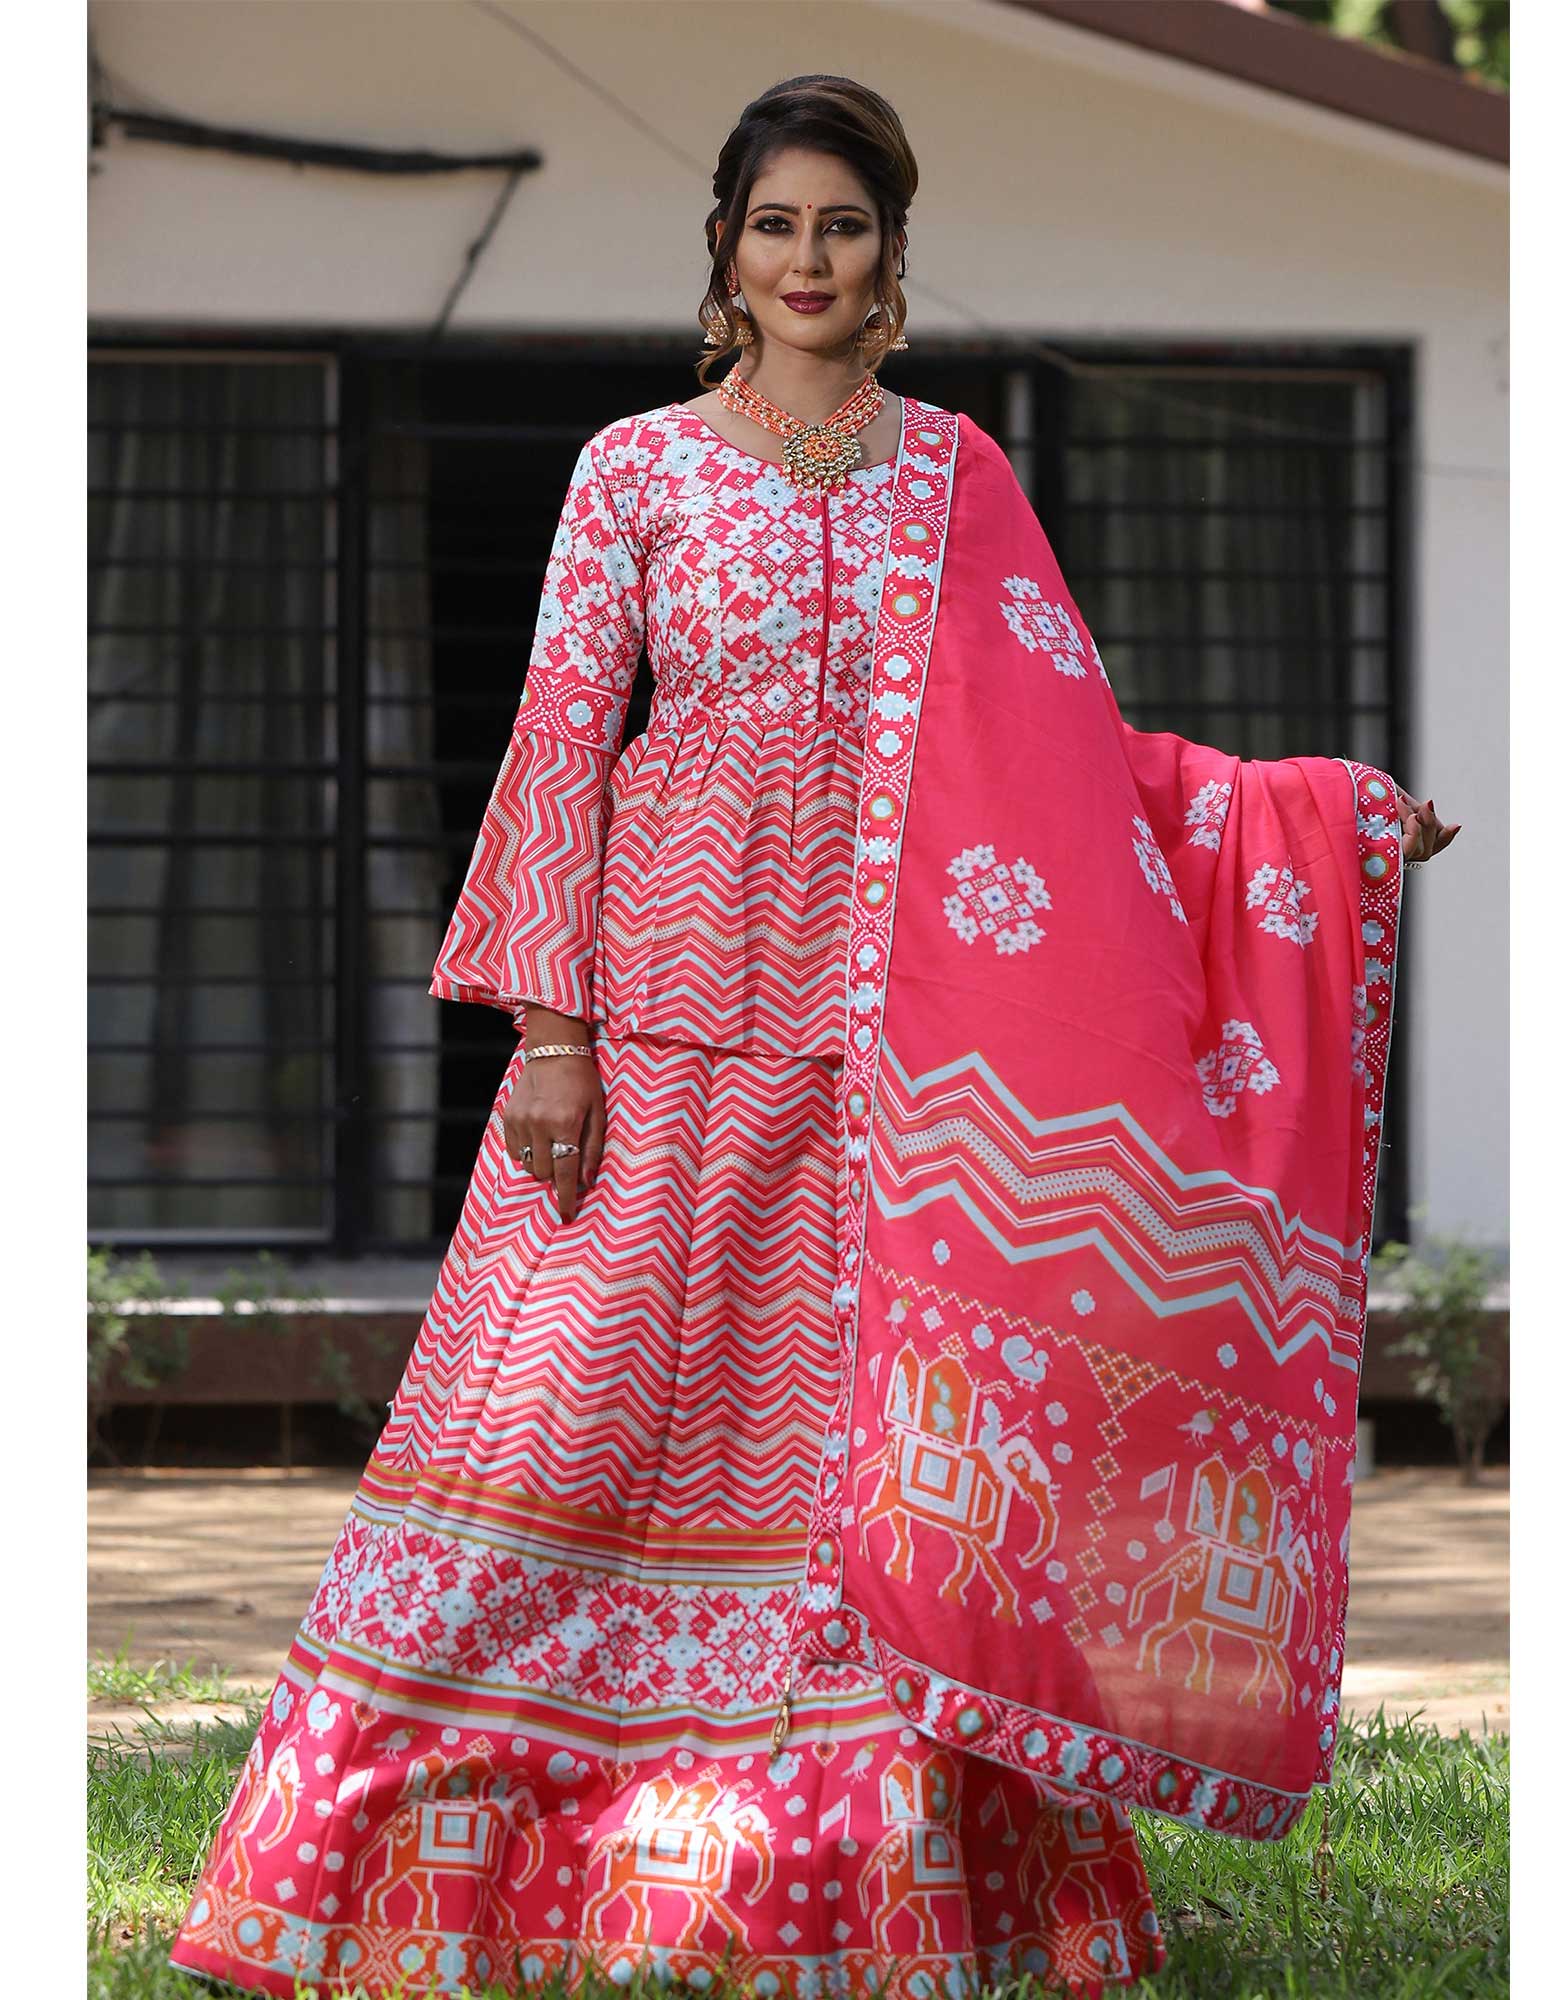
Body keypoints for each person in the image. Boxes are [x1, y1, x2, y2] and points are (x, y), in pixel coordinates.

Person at [169, 73, 1459, 2000]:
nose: (807, 260)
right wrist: (553, 1031)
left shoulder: (958, 478)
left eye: (842, 227)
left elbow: (1063, 764)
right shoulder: (635, 472)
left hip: (897, 1058)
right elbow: (561, 744)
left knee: (869, 1461)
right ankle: (409, 1849)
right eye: (775, 225)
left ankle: (855, 1879)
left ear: (890, 256)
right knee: (556, 1417)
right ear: (726, 248)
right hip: (664, 1020)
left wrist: (1321, 820)